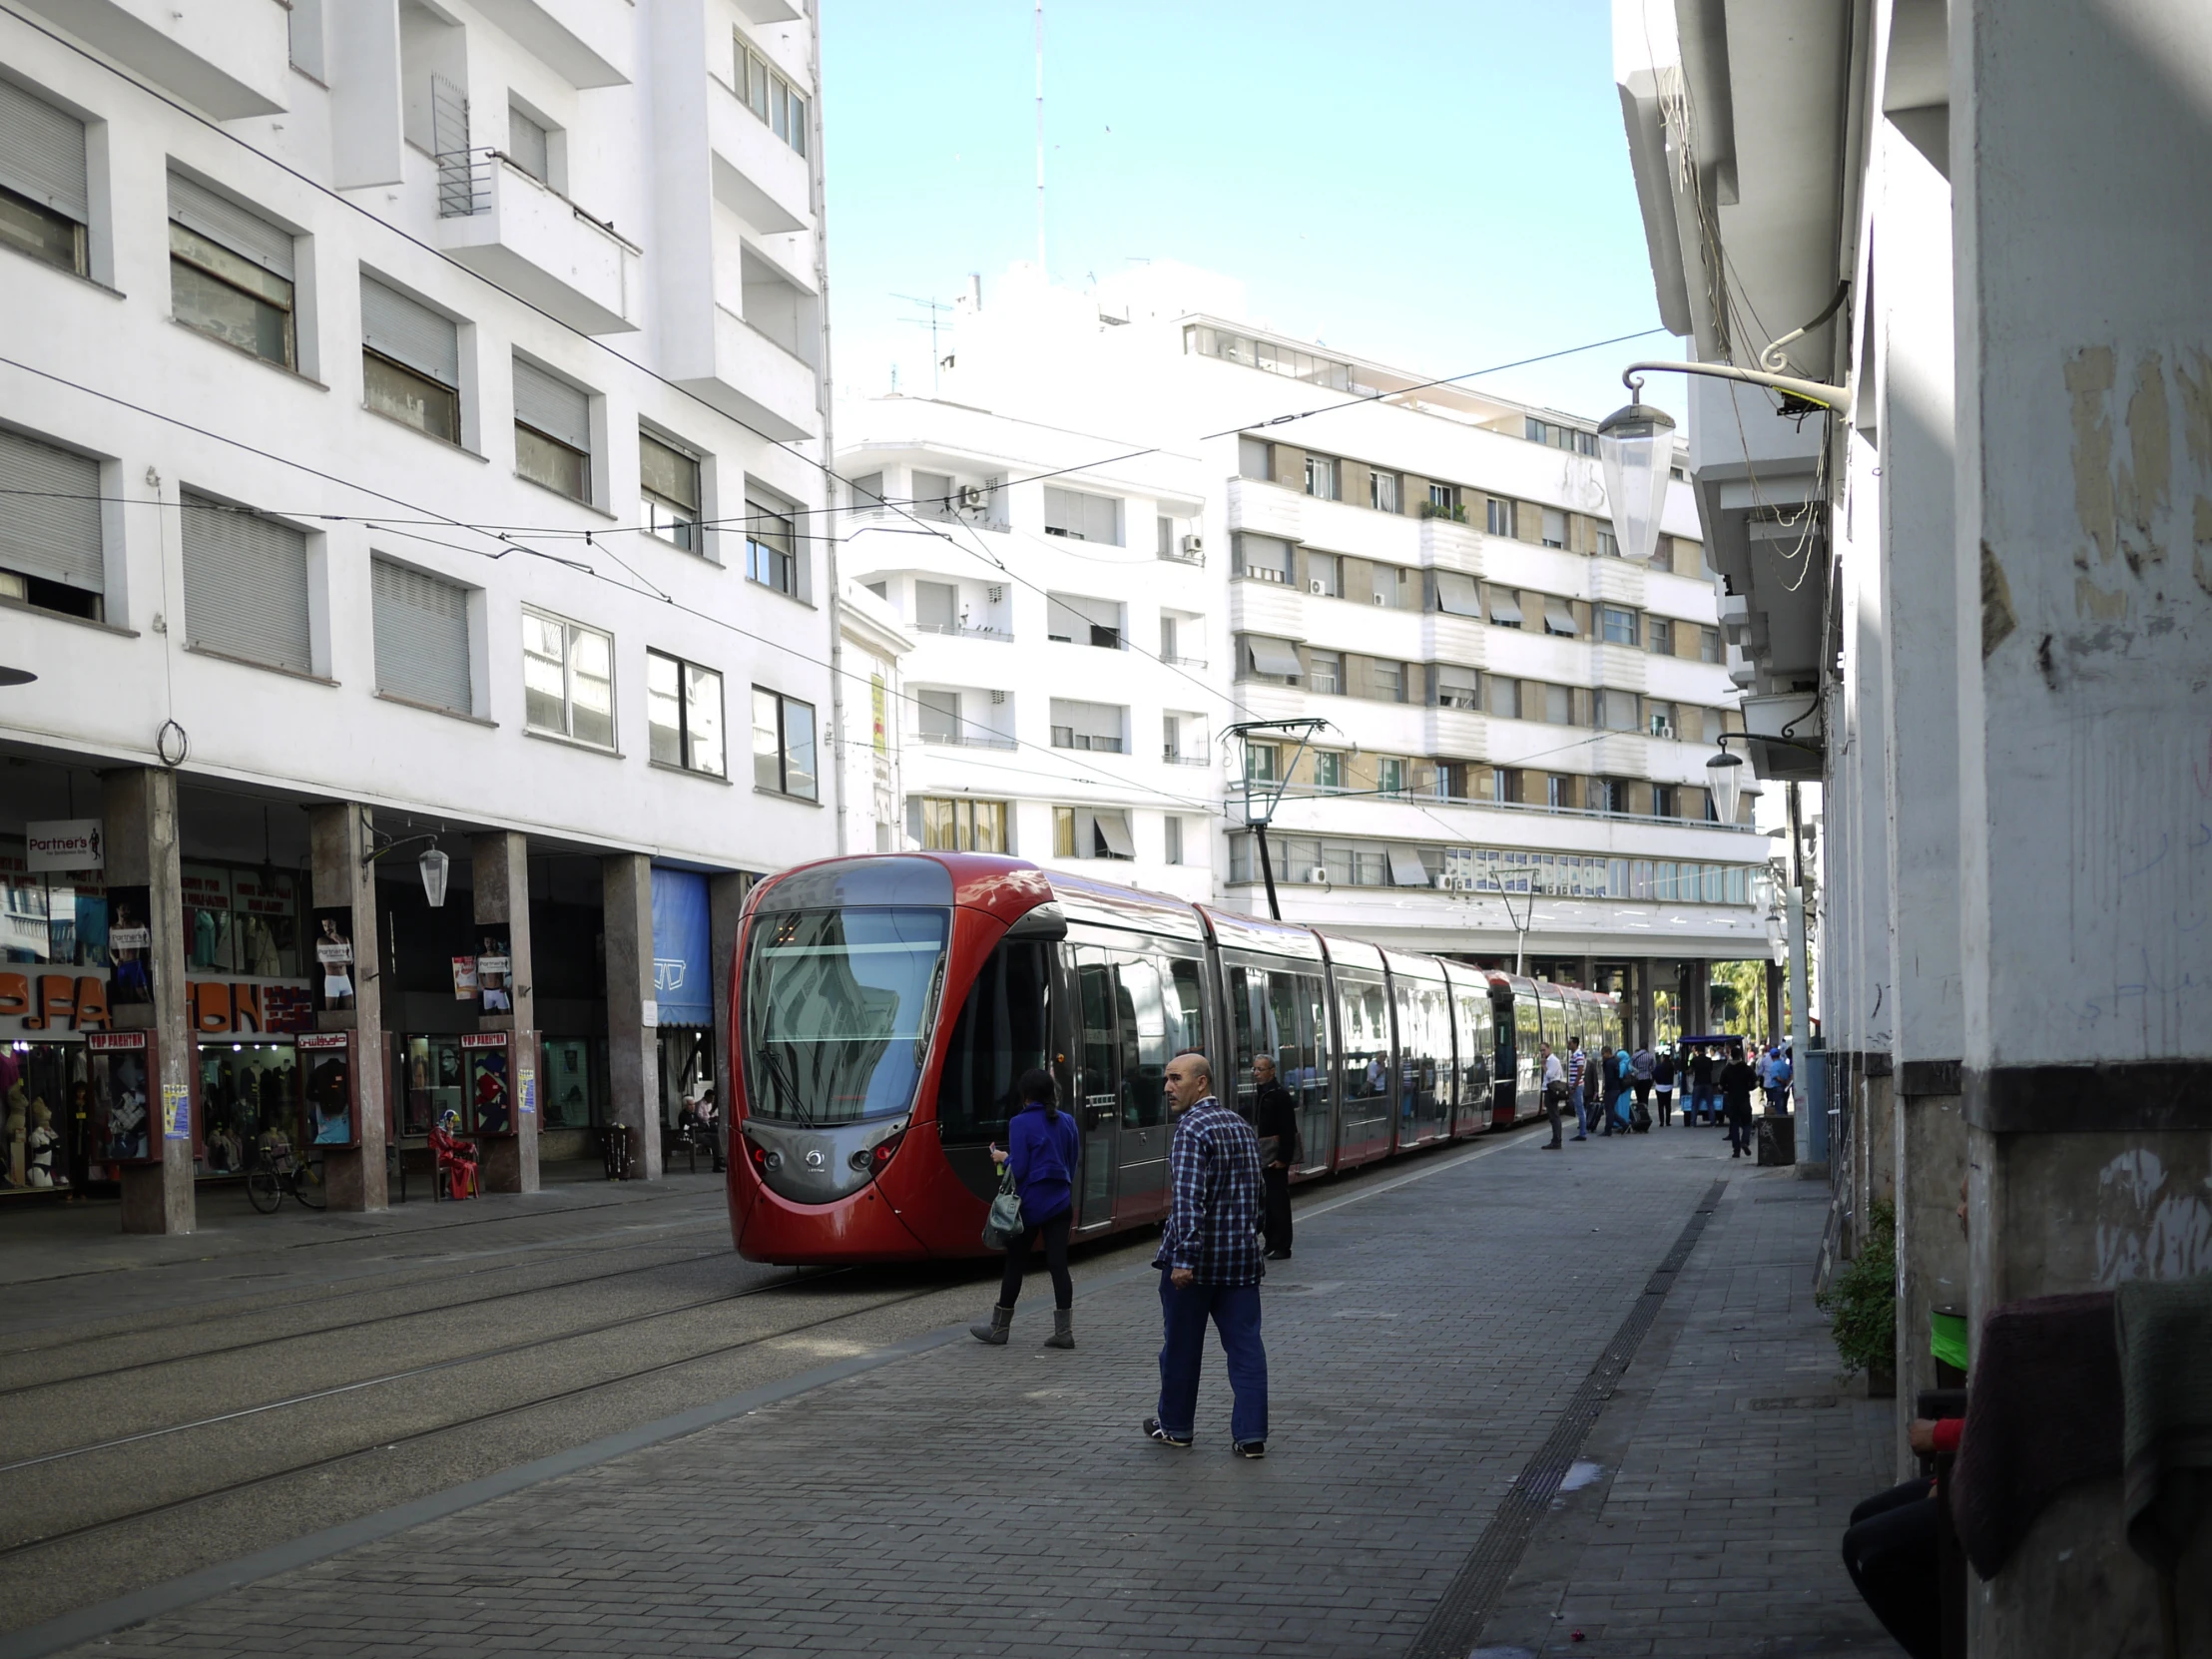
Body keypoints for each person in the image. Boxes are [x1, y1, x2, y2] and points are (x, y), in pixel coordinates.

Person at [1145, 1050, 1268, 1457]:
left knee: (1180, 1348)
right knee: (1247, 1350)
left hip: (1195, 1268)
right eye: (1166, 1079)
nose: (1167, 1088)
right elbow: (1258, 1194)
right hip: (1241, 1261)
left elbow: (1188, 1200)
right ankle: (1251, 1438)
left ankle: (1177, 1428)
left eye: (1176, 1079)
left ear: (1201, 1083)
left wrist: (1184, 1257)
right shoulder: (1240, 1125)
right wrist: (1250, 1235)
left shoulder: (1191, 1129)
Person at [972, 1068, 1083, 1350]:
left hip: (1030, 1206)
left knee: (1016, 1265)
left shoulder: (1019, 1123)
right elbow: (1072, 1162)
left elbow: (1019, 1169)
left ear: (1025, 1096)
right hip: (1060, 1204)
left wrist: (1003, 1157)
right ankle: (1064, 1331)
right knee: (1058, 1266)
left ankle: (999, 1328)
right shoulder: (1068, 1121)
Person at [1251, 1055, 1299, 1259]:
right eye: (1255, 1069)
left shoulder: (1279, 1095)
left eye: (1261, 1069)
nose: (1257, 1073)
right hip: (1262, 1153)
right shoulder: (1261, 1094)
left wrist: (1283, 1158)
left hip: (1275, 1155)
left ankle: (1282, 1245)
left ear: (1272, 1071)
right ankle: (1270, 1241)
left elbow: (1289, 1129)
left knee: (1278, 1200)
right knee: (1266, 1201)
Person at [1720, 1043, 1760, 1158]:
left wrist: (1726, 1090)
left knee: (1734, 1125)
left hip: (1732, 1101)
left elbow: (1721, 1087)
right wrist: (1749, 1088)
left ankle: (1736, 1151)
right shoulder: (1747, 1069)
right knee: (1747, 1123)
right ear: (1740, 1056)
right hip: (1744, 1099)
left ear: (1731, 1056)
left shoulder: (1726, 1070)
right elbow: (1756, 1083)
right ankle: (1745, 1141)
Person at [1540, 1041, 1568, 1147]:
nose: (1543, 1052)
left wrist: (1543, 1066)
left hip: (1551, 1090)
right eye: (1541, 1050)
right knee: (1552, 1116)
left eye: (1544, 1050)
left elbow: (1550, 1075)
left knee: (1554, 1116)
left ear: (1549, 1049)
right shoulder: (1549, 1060)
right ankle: (1555, 1139)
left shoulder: (1553, 1060)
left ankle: (1557, 1140)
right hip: (1548, 1090)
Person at [1688, 1044, 1716, 1126]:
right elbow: (1711, 1070)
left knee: (1695, 1104)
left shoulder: (1694, 1060)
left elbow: (1691, 1071)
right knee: (1710, 1104)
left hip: (1698, 1083)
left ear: (1696, 1051)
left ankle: (1693, 1122)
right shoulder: (1709, 1060)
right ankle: (1713, 1122)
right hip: (1708, 1083)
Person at [1566, 1039, 1588, 1138]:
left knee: (1580, 1108)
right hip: (1576, 1085)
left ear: (1575, 1044)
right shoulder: (1575, 1055)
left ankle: (1582, 1133)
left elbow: (1580, 1071)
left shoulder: (1578, 1055)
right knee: (1579, 1108)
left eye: (1570, 1043)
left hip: (1577, 1086)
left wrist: (1574, 1086)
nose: (1568, 1045)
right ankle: (1582, 1131)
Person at [1653, 1046, 1677, 1127]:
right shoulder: (1671, 1067)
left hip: (1659, 1087)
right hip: (1668, 1087)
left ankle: (1661, 1122)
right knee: (1668, 1105)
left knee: (1660, 1105)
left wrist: (1657, 1081)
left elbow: (1654, 1074)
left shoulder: (1658, 1067)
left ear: (1663, 1058)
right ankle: (1668, 1121)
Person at [1631, 1043, 1655, 1120]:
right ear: (1647, 1047)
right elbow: (1653, 1068)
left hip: (1637, 1078)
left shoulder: (1634, 1056)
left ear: (1640, 1047)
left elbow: (1631, 1067)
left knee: (1639, 1097)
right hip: (1646, 1078)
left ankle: (1639, 1113)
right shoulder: (1650, 1056)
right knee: (1645, 1097)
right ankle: (1645, 1113)